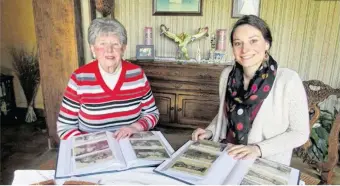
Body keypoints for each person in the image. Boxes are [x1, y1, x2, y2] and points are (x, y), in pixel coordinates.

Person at [192, 15, 309, 166]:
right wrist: (210, 131)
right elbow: (224, 114)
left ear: (267, 43)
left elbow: (300, 133)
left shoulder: (288, 80)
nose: (245, 49)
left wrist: (257, 149)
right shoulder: (227, 75)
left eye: (253, 41)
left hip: (264, 163)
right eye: (237, 43)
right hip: (226, 153)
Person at [57, 18, 159, 140]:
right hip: (92, 150)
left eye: (115, 44)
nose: (109, 50)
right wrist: (90, 144)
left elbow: (152, 113)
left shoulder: (137, 74)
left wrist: (135, 127)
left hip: (130, 144)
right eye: (102, 44)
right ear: (93, 49)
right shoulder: (80, 78)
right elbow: (65, 127)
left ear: (123, 48)